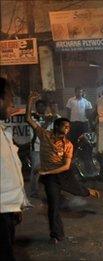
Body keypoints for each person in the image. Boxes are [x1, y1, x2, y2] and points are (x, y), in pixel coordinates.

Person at [26, 91, 100, 244]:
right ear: (57, 127)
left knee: (78, 190)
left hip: (63, 173)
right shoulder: (44, 135)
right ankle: (56, 235)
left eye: (69, 127)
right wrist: (29, 101)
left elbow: (66, 166)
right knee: (53, 206)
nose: (68, 129)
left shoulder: (68, 145)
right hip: (50, 178)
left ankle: (88, 191)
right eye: (65, 126)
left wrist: (45, 171)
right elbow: (28, 118)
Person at [0, 77, 31, 261]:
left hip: (7, 211)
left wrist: (15, 206)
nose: (12, 103)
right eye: (10, 98)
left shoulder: (3, 130)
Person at [29, 99, 59, 198]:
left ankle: (51, 191)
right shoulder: (33, 117)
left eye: (43, 106)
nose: (41, 108)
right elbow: (40, 130)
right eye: (39, 106)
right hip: (36, 148)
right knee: (35, 171)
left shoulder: (51, 117)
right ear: (36, 107)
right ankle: (33, 192)